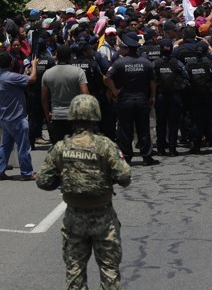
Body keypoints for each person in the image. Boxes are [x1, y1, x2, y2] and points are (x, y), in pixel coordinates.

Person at [36, 94, 131, 290]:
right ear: (95, 116)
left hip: (74, 217)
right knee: (109, 272)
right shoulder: (106, 146)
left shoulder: (61, 147)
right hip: (103, 217)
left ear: (72, 117)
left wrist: (64, 177)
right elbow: (124, 177)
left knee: (75, 273)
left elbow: (43, 181)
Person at [105, 34, 160, 166]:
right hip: (142, 100)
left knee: (125, 130)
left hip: (125, 100)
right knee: (143, 129)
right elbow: (153, 81)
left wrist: (114, 91)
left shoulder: (119, 63)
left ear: (128, 49)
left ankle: (126, 157)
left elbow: (107, 78)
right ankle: (147, 156)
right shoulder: (146, 63)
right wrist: (152, 96)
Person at [0, 53, 38, 181]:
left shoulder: (5, 77)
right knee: (23, 146)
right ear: (10, 64)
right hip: (16, 117)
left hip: (5, 117)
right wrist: (34, 66)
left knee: (5, 146)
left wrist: (25, 73)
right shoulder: (10, 77)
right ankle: (27, 173)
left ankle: (0, 170)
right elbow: (32, 79)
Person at [41, 45, 89, 144]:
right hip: (74, 117)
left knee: (59, 150)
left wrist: (47, 115)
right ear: (70, 57)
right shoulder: (78, 72)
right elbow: (85, 94)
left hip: (56, 116)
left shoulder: (47, 73)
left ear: (57, 56)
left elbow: (44, 98)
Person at [154, 38, 189, 157]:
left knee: (161, 123)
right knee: (173, 123)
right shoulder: (177, 63)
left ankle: (160, 148)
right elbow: (186, 76)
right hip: (175, 96)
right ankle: (172, 149)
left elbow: (151, 79)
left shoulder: (155, 63)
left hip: (161, 96)